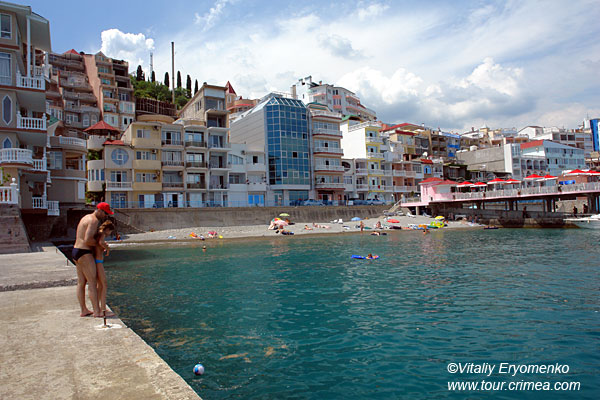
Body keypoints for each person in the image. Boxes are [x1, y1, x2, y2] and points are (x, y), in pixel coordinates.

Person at [72, 202, 113, 317]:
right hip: (84, 252)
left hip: (76, 251)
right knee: (92, 282)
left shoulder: (85, 217)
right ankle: (97, 311)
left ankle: (84, 310)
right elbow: (88, 240)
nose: (105, 216)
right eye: (105, 213)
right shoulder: (93, 220)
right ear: (99, 210)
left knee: (81, 282)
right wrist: (100, 245)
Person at [94, 220, 115, 317]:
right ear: (107, 229)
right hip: (98, 262)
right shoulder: (102, 233)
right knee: (104, 285)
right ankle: (103, 309)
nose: (109, 234)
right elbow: (101, 242)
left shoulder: (98, 233)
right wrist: (107, 248)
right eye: (110, 231)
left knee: (100, 285)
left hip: (97, 261)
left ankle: (99, 307)